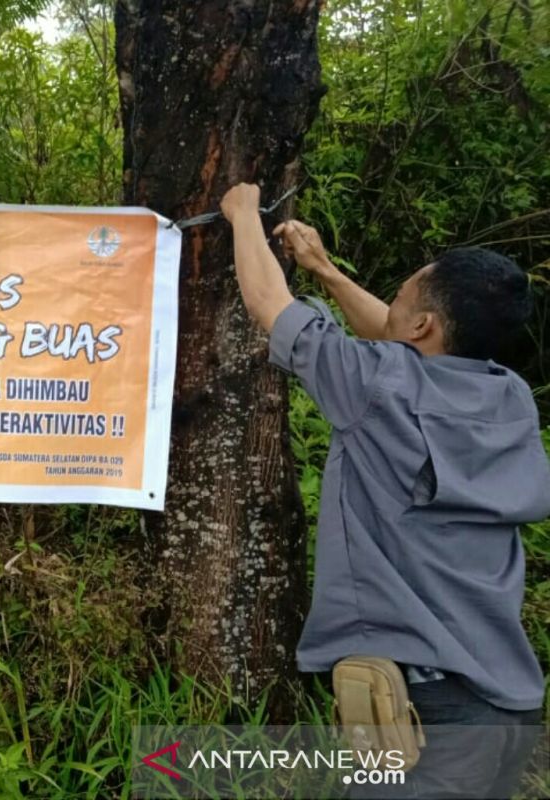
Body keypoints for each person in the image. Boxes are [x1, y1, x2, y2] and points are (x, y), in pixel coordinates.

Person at [220, 182, 550, 798]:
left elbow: (270, 303)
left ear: (422, 323)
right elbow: (400, 338)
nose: (390, 303)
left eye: (400, 295)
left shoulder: (374, 388)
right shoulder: (510, 400)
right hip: (508, 713)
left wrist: (241, 212)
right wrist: (324, 270)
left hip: (424, 722)